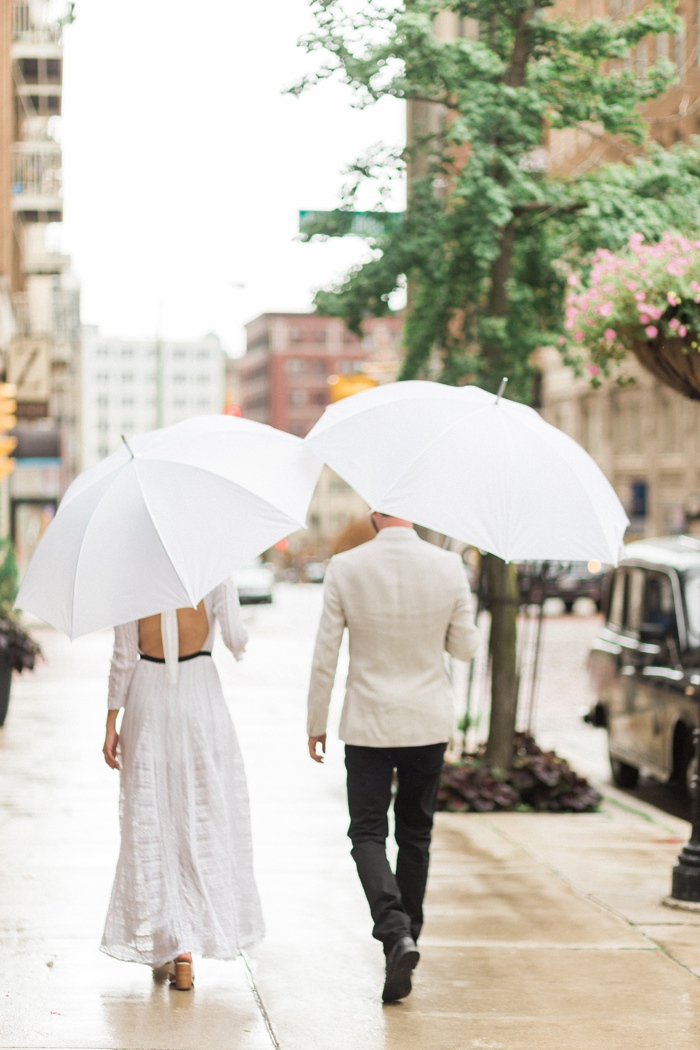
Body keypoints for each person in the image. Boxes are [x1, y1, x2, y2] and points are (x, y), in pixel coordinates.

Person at [307, 512, 480, 1003]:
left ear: (375, 514)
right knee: (416, 835)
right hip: (426, 723)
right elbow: (465, 648)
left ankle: (393, 929)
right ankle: (406, 939)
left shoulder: (346, 566)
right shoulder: (448, 566)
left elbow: (326, 653)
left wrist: (315, 721)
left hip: (368, 723)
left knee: (366, 833)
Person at [101, 577, 264, 990]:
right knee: (201, 816)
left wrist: (110, 722)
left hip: (149, 698)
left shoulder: (133, 578)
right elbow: (236, 639)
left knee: (156, 819)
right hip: (200, 696)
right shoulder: (211, 571)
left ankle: (171, 942)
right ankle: (185, 946)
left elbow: (123, 656)